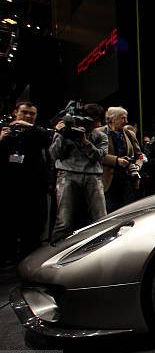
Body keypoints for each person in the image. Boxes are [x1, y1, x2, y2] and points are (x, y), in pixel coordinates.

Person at [0, 102, 53, 263]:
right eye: (25, 112)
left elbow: (48, 139)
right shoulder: (5, 131)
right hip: (7, 187)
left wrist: (28, 127)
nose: (29, 116)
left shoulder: (36, 133)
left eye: (32, 114)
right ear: (15, 112)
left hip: (34, 188)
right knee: (6, 226)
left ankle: (28, 262)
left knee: (33, 228)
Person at [50, 104, 108, 241]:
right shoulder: (65, 131)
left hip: (92, 175)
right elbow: (54, 154)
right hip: (67, 173)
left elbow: (99, 157)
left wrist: (84, 142)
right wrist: (63, 135)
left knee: (101, 217)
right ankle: (54, 253)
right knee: (64, 221)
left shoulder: (100, 136)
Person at [100, 107, 145, 213]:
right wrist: (117, 160)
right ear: (112, 119)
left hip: (127, 180)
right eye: (123, 118)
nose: (126, 121)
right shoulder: (99, 132)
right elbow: (96, 155)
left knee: (127, 211)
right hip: (108, 181)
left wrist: (138, 165)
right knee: (110, 213)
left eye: (126, 118)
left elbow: (140, 156)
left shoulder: (129, 134)